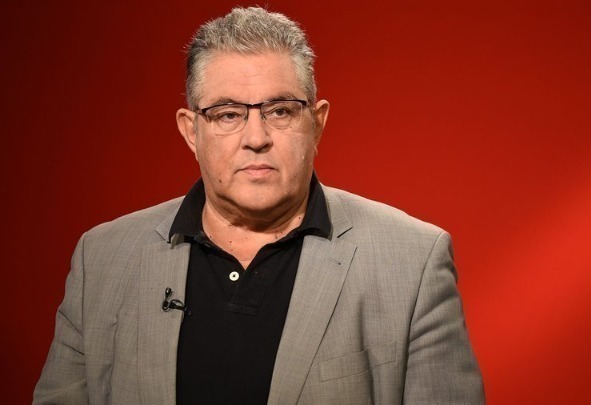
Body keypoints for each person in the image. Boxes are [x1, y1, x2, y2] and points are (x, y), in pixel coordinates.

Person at [34, 6, 484, 404]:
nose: (256, 137)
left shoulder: (413, 261)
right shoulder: (102, 258)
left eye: (280, 111)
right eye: (228, 114)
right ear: (191, 131)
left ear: (317, 123)